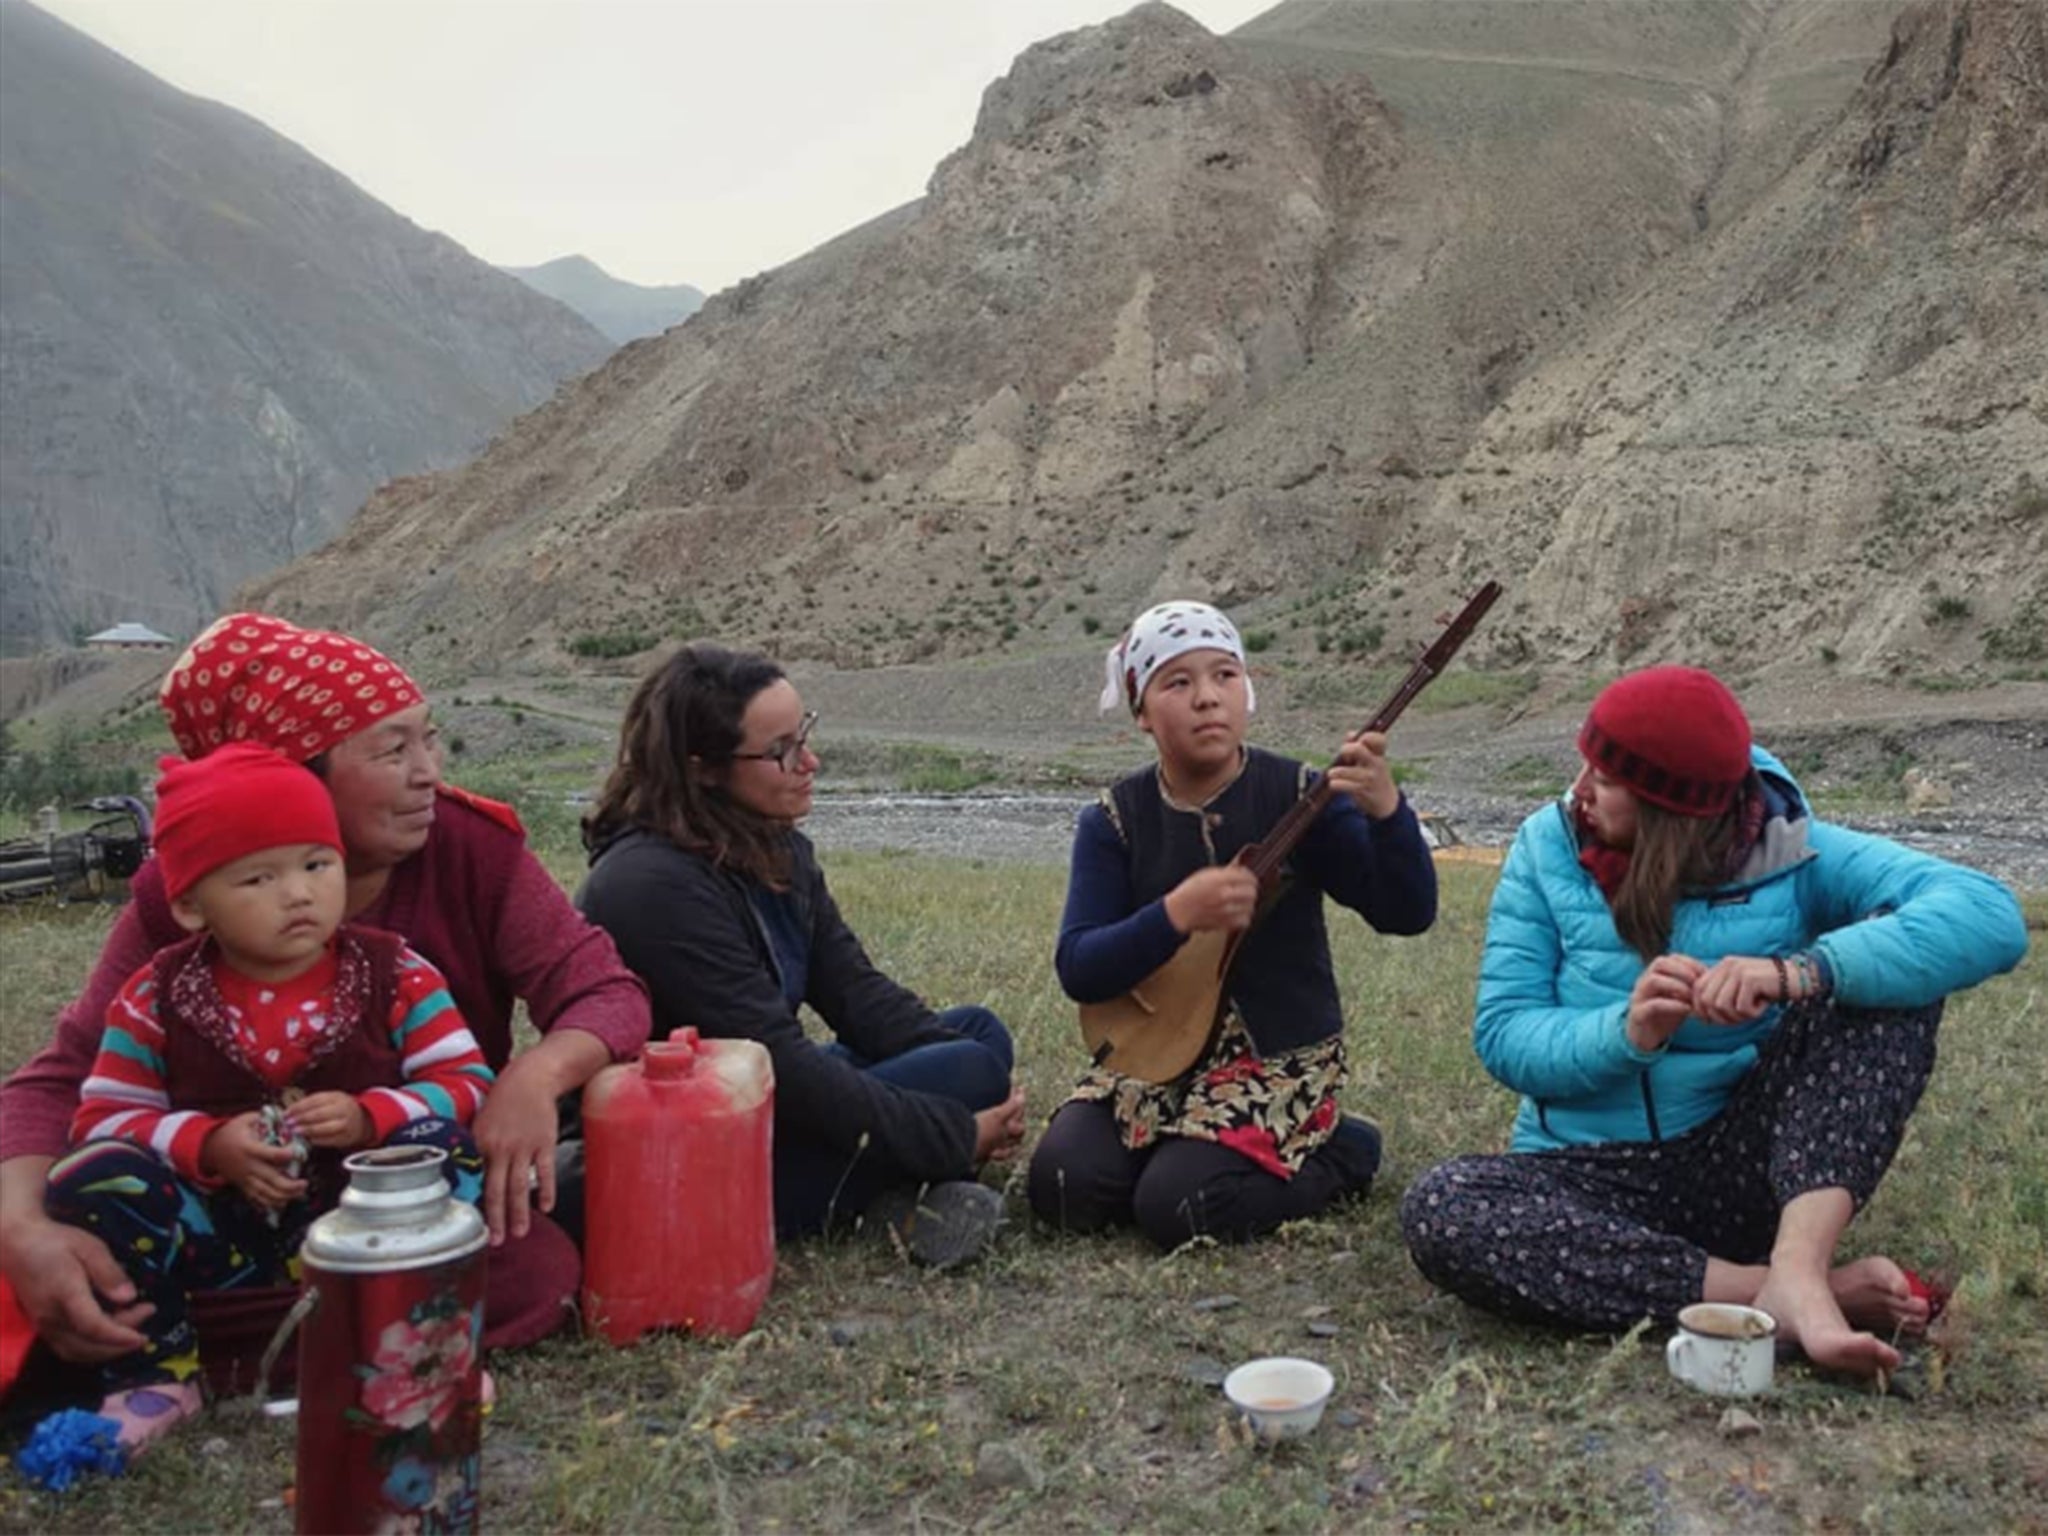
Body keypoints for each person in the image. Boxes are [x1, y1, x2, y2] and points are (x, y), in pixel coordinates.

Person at [0, 613, 650, 1373]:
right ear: (295, 776)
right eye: (393, 750)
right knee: (78, 1231)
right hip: (220, 1206)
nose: (429, 773)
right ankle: (375, 1328)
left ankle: (196, 1343)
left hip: (393, 1196)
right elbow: (64, 1076)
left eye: (429, 739)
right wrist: (20, 1227)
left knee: (531, 1271)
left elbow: (605, 992)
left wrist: (534, 1077)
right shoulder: (192, 888)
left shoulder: (471, 849)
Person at [1400, 666, 2029, 1377]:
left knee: (1890, 980)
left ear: (1670, 813)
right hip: (1587, 1176)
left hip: (1746, 1166)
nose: (1579, 788)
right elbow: (1505, 1035)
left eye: (1605, 779)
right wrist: (1627, 1032)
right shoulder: (1547, 847)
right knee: (1444, 1207)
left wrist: (1798, 973)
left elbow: (1987, 914)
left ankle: (1798, 1261)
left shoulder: (1791, 848)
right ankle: (1793, 1295)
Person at [48, 744, 493, 1451]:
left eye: (318, 865)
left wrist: (369, 1117)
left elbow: (465, 1083)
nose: (298, 893)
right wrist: (208, 1145)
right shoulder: (156, 996)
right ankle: (156, 1374)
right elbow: (102, 1118)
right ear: (192, 904)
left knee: (447, 1153)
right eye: (259, 877)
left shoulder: (397, 973)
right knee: (92, 1177)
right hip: (222, 1234)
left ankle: (422, 1355)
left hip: (362, 1221)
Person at [577, 644, 1027, 1267]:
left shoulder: (772, 849)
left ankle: (884, 1185)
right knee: (968, 1076)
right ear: (702, 768)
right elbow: (779, 1068)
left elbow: (855, 993)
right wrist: (954, 1133)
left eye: (804, 735)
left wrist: (955, 1062)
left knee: (977, 1038)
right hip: (700, 1146)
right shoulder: (651, 887)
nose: (808, 761)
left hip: (774, 1100)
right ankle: (886, 1196)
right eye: (781, 751)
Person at [1025, 600, 1438, 1248]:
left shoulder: (1303, 796)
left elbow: (1407, 914)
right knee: (1060, 1186)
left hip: (1274, 1055)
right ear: (1141, 711)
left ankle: (1341, 1155)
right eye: (1177, 682)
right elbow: (1080, 966)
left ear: (1247, 692)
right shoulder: (1112, 820)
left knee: (1176, 1207)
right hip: (1152, 1046)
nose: (1206, 699)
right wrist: (1175, 915)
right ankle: (1185, 1145)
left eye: (1224, 676)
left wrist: (1387, 813)